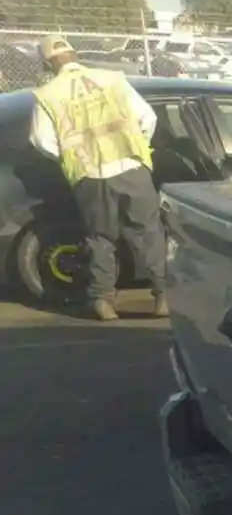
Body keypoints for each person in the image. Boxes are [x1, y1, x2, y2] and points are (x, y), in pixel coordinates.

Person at [28, 34, 167, 321]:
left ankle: (103, 302)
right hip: (131, 167)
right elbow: (147, 117)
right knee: (148, 232)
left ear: (46, 64)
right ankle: (164, 296)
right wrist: (135, 147)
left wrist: (72, 157)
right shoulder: (112, 79)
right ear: (75, 54)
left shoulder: (48, 94)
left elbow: (41, 140)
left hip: (89, 176)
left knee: (100, 238)